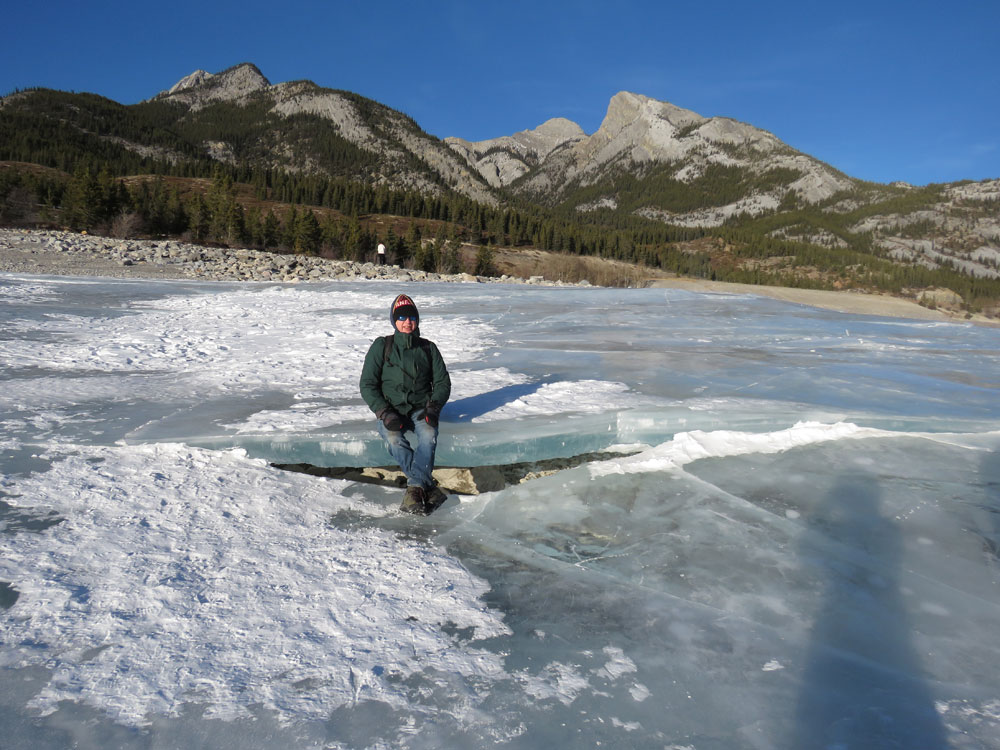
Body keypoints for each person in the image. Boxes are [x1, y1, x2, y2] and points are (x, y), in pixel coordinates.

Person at [359, 293, 451, 514]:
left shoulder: (428, 348)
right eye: (401, 317)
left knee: (428, 436)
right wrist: (384, 412)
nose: (407, 322)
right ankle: (425, 487)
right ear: (394, 321)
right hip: (391, 409)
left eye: (411, 317)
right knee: (394, 439)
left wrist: (433, 407)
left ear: (417, 320)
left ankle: (415, 489)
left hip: (421, 408)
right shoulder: (382, 346)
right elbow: (367, 384)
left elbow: (442, 383)